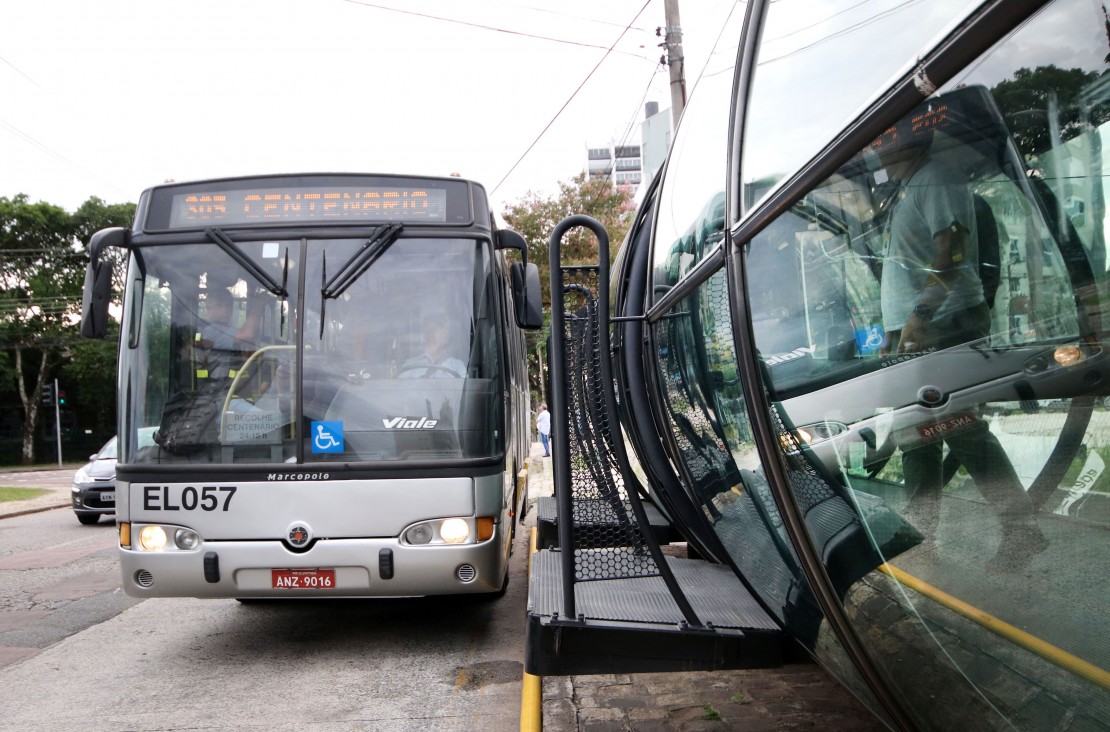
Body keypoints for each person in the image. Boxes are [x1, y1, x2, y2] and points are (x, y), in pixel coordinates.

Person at [873, 108, 1046, 571]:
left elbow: (950, 253)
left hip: (942, 323)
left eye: (884, 137)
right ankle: (922, 537)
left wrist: (919, 315)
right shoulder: (913, 186)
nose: (877, 147)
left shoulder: (936, 178)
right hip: (921, 328)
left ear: (907, 140)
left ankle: (1020, 529)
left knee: (956, 427)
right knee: (918, 433)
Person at [400, 313, 466, 378]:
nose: (446, 332)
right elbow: (399, 387)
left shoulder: (457, 365)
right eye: (441, 327)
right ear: (427, 332)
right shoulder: (410, 365)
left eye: (447, 328)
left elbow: (466, 387)